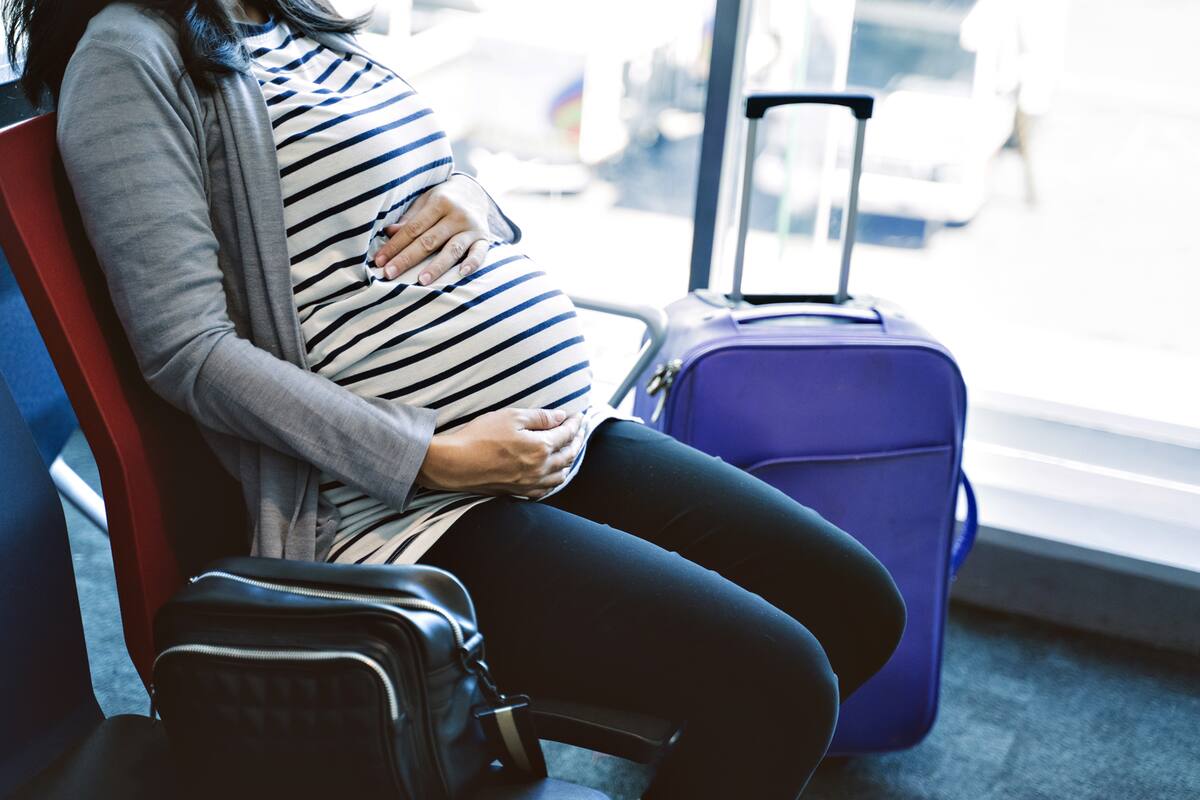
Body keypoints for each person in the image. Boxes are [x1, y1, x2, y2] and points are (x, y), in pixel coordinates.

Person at [3, 1, 906, 796]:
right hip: (406, 510)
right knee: (781, 685)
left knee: (858, 609)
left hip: (558, 442)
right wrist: (431, 454)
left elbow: (421, 179)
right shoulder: (130, 56)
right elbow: (188, 352)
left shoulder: (294, 18)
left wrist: (481, 200)